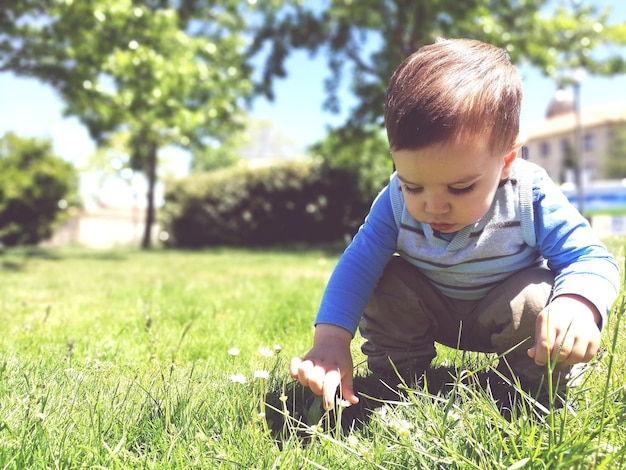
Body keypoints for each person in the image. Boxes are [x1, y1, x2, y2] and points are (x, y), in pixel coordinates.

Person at [289, 38, 620, 411]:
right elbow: (357, 264)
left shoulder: (530, 193)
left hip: (510, 316)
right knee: (383, 280)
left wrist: (577, 304)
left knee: (538, 295)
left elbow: (591, 259)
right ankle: (398, 380)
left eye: (460, 187)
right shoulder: (396, 199)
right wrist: (331, 338)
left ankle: (533, 387)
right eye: (413, 184)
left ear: (507, 159)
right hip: (434, 309)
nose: (433, 206)